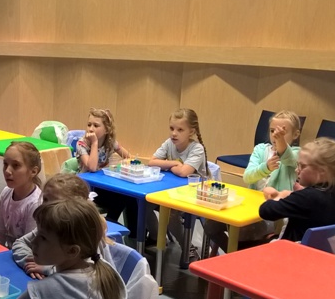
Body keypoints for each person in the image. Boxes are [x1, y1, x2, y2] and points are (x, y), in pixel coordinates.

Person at [205, 110, 303, 251]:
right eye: (273, 131)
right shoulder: (260, 150)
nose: (276, 135)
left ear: (295, 135)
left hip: (274, 215)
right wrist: (265, 168)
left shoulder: (297, 152)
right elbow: (248, 176)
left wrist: (280, 140)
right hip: (251, 207)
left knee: (243, 232)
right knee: (211, 226)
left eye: (282, 132)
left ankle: (242, 254)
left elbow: (288, 158)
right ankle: (235, 253)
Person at [12, 173, 113, 279]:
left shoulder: (85, 236)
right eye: (45, 199)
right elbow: (20, 243)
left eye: (55, 202)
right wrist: (30, 261)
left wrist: (48, 268)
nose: (47, 206)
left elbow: (87, 273)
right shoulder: (49, 228)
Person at [145, 108, 209, 259]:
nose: (174, 133)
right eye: (172, 128)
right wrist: (173, 163)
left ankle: (188, 248)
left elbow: (184, 172)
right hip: (171, 190)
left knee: (171, 216)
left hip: (194, 194)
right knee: (144, 204)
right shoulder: (169, 143)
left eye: (180, 130)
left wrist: (167, 165)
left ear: (191, 132)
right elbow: (151, 162)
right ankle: (155, 236)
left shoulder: (197, 149)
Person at [259, 137, 335, 242]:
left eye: (302, 166)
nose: (297, 170)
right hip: (321, 249)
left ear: (322, 171)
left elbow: (265, 211)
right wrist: (293, 195)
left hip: (293, 249)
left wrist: (280, 196)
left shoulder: (307, 197)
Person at [75, 108, 135, 237]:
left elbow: (129, 157)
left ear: (107, 130)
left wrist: (121, 163)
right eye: (89, 124)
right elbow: (92, 167)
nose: (91, 129)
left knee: (127, 196)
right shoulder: (81, 144)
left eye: (96, 125)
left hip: (103, 185)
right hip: (86, 188)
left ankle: (126, 231)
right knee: (120, 198)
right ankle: (107, 226)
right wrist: (94, 143)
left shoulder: (110, 143)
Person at [0, 141, 42, 248]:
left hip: (26, 255)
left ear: (33, 171)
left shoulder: (35, 204)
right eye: (5, 164)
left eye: (16, 165)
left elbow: (29, 247)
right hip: (11, 252)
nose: (7, 171)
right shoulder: (6, 192)